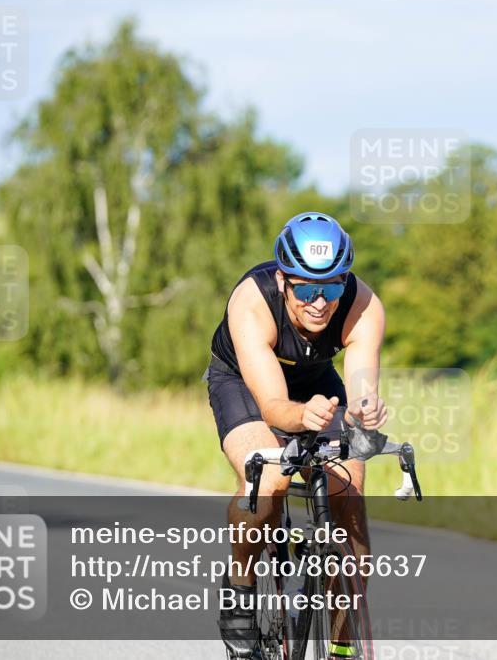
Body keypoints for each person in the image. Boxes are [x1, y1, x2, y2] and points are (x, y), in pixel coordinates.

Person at [204, 212, 387, 659]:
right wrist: (300, 416)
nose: (320, 302)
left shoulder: (363, 305)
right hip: (245, 384)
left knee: (351, 508)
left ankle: (343, 647)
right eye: (306, 288)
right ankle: (241, 585)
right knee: (269, 481)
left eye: (332, 286)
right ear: (284, 279)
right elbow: (273, 408)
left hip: (317, 382)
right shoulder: (252, 302)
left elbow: (361, 391)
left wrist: (365, 411)